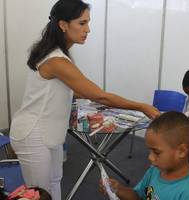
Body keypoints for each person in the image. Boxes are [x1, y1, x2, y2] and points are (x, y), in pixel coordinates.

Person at [8, 1, 159, 199]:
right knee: (40, 193)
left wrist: (97, 101)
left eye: (88, 22)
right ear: (63, 25)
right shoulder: (57, 60)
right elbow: (98, 94)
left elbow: (69, 90)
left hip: (48, 131)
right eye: (82, 23)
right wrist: (141, 106)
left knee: (54, 182)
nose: (88, 29)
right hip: (33, 133)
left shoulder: (59, 54)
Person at [99, 112, 189, 200]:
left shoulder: (188, 192)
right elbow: (139, 196)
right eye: (149, 150)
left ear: (181, 151)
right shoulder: (155, 170)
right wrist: (118, 189)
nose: (150, 157)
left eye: (156, 152)